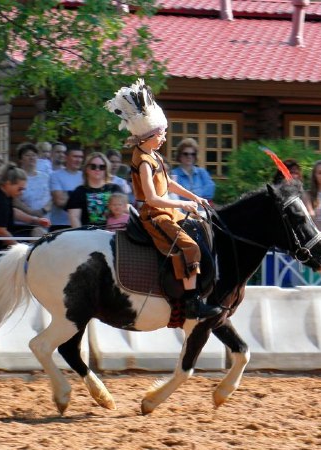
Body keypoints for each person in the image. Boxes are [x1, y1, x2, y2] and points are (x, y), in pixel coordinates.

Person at [105, 78, 221, 319]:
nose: (164, 138)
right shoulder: (143, 161)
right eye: (161, 134)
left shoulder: (153, 155)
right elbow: (153, 199)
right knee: (190, 247)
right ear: (148, 135)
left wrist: (194, 196)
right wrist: (182, 203)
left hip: (169, 211)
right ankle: (191, 302)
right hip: (155, 215)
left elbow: (168, 183)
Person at [0, 163, 48, 252]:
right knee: (39, 235)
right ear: (8, 183)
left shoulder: (3, 193)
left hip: (4, 235)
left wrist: (35, 220)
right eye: (20, 189)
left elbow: (12, 211)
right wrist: (19, 250)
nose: (22, 192)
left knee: (40, 232)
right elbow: (0, 231)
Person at [67, 152, 123, 228]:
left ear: (106, 169)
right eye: (93, 166)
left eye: (102, 167)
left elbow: (124, 213)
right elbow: (74, 218)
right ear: (87, 169)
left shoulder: (115, 189)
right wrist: (81, 237)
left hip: (113, 234)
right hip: (87, 236)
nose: (97, 169)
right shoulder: (79, 191)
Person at [14, 143, 51, 237]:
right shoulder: (16, 177)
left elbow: (52, 197)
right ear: (20, 159)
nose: (31, 158)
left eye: (34, 155)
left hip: (44, 221)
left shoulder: (45, 177)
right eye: (27, 155)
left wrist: (43, 210)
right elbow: (14, 199)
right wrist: (31, 212)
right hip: (22, 223)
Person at [49, 144, 84, 230]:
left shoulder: (86, 176)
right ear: (66, 157)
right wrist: (80, 196)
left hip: (81, 224)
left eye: (81, 157)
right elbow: (59, 201)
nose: (78, 160)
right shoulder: (55, 175)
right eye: (75, 156)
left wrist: (68, 193)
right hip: (60, 224)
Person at [170, 138, 216, 202]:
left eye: (193, 154)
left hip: (201, 210)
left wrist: (191, 194)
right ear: (179, 155)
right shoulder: (173, 174)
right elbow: (174, 195)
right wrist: (197, 194)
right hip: (182, 210)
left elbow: (210, 190)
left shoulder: (202, 172)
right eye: (185, 154)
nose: (189, 156)